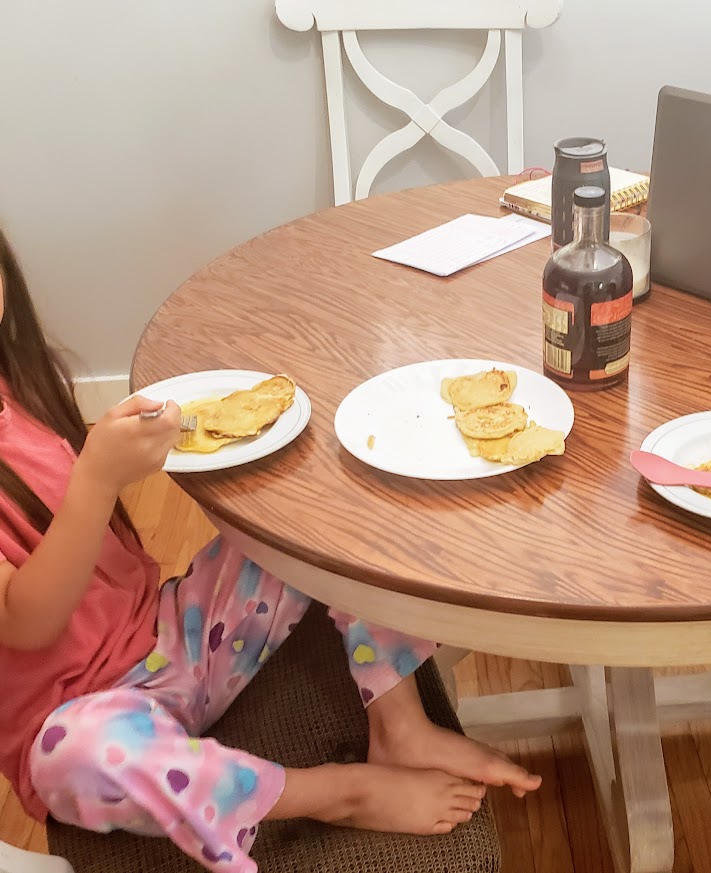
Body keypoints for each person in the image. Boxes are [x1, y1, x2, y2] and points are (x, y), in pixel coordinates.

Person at [0, 228, 541, 873]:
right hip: (84, 722)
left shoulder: (19, 392)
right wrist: (98, 477)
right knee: (81, 753)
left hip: (174, 634)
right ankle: (339, 794)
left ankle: (399, 724)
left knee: (330, 510)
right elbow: (28, 623)